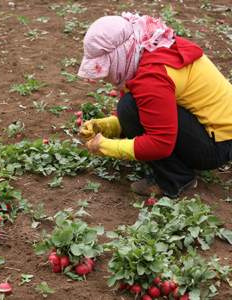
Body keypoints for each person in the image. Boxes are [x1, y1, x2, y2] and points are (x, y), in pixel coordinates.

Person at [77, 13, 232, 198]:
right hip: (217, 131)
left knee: (128, 106)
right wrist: (106, 126)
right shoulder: (146, 50)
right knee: (128, 106)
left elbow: (160, 144)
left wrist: (106, 147)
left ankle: (176, 178)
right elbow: (148, 110)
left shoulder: (151, 77)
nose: (103, 76)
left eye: (105, 67)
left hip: (218, 146)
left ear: (119, 55)